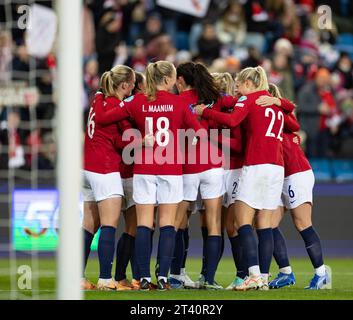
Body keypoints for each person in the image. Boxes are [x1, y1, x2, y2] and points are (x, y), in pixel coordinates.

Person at [94, 60, 204, 291]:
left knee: (144, 224)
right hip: (171, 168)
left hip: (144, 168)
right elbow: (200, 133)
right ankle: (162, 277)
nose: (175, 82)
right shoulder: (178, 102)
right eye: (173, 77)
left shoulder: (136, 101)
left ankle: (143, 277)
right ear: (166, 80)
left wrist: (99, 98)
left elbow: (104, 119)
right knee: (167, 224)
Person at [195, 66, 293, 291]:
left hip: (256, 164)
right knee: (265, 225)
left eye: (240, 82)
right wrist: (282, 103)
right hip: (276, 167)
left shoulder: (249, 100)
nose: (237, 86)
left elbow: (232, 122)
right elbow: (293, 120)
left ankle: (253, 275)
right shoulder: (272, 103)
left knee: (242, 222)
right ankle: (263, 279)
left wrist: (205, 112)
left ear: (249, 82)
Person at [255, 83, 332, 290]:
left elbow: (293, 121)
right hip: (280, 175)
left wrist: (277, 102)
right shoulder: (262, 119)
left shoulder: (282, 116)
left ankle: (321, 273)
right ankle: (286, 272)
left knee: (302, 224)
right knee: (267, 225)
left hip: (296, 173)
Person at [171, 62, 239, 290]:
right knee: (214, 224)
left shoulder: (177, 101)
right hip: (213, 165)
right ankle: (208, 279)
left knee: (178, 222)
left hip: (188, 166)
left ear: (181, 80)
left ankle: (174, 274)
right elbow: (240, 102)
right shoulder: (215, 97)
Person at [81, 64, 136, 290]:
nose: (133, 88)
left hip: (86, 167)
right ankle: (105, 278)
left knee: (88, 225)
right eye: (132, 84)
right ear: (124, 84)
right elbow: (120, 142)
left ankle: (78, 277)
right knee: (109, 224)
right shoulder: (114, 104)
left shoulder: (99, 99)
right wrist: (141, 141)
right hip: (104, 168)